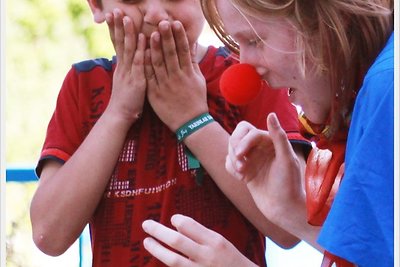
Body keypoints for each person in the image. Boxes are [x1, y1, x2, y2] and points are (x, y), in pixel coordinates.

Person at [29, 0, 311, 266]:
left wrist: (193, 120)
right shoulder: (84, 85)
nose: (155, 13)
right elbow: (48, 235)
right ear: (97, 5)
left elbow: (288, 228)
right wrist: (119, 111)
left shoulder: (250, 74)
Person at [141, 0, 394, 266]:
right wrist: (289, 211)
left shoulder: (387, 90)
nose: (246, 67)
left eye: (255, 40)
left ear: (321, 19)